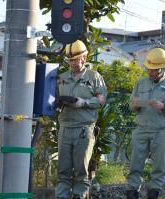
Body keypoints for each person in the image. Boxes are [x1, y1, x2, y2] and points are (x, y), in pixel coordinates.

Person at [126, 48, 165, 199]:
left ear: (162, 68)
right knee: (135, 164)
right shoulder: (140, 83)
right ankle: (132, 192)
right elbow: (131, 105)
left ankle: (154, 193)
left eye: (154, 70)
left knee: (159, 166)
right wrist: (135, 104)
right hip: (141, 130)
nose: (150, 72)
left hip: (161, 131)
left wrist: (164, 106)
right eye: (149, 69)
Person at [55, 40, 107, 199]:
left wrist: (83, 102)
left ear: (84, 58)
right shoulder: (61, 78)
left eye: (75, 59)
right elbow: (51, 99)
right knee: (63, 171)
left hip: (83, 130)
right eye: (70, 60)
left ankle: (79, 196)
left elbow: (101, 101)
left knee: (81, 171)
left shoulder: (94, 77)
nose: (72, 63)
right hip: (65, 127)